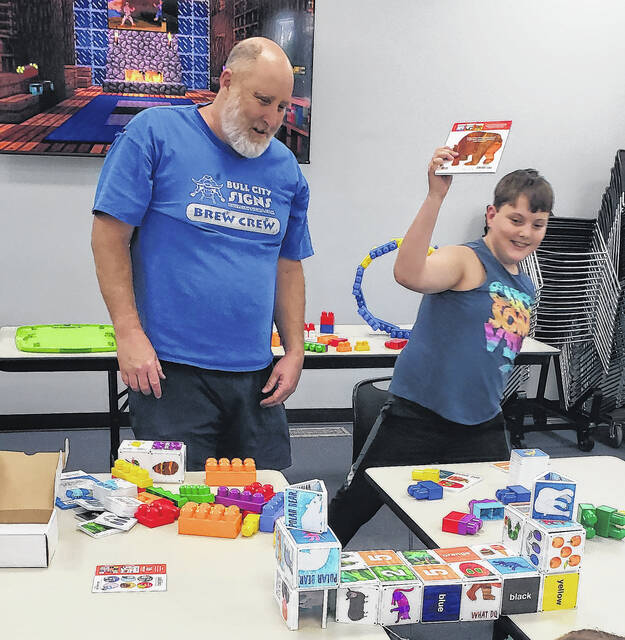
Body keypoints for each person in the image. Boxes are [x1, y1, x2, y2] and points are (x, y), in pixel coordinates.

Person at [91, 37, 312, 470]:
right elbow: (108, 236)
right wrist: (128, 334)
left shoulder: (285, 168)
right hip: (170, 371)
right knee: (179, 511)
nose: (272, 120)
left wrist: (294, 349)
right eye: (263, 101)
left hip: (255, 373)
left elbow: (288, 263)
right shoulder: (155, 133)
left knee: (260, 504)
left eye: (284, 108)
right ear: (227, 82)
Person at [328, 147, 553, 546]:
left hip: (482, 422)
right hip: (419, 416)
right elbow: (409, 272)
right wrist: (435, 196)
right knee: (355, 506)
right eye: (515, 219)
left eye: (537, 224)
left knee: (492, 517)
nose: (525, 232)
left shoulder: (525, 285)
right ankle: (300, 571)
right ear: (491, 215)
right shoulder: (466, 260)